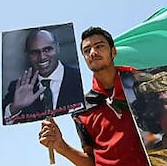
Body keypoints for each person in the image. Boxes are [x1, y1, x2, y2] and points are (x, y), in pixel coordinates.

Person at [39, 27, 149, 166]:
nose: (93, 53)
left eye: (99, 46)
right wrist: (61, 146)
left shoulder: (145, 87)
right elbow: (91, 162)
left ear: (113, 51)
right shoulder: (82, 109)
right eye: (86, 50)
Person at [2, 29, 85, 124]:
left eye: (47, 49)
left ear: (58, 47)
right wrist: (14, 109)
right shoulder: (17, 88)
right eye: (34, 52)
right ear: (27, 55)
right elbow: (0, 127)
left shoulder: (79, 78)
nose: (42, 57)